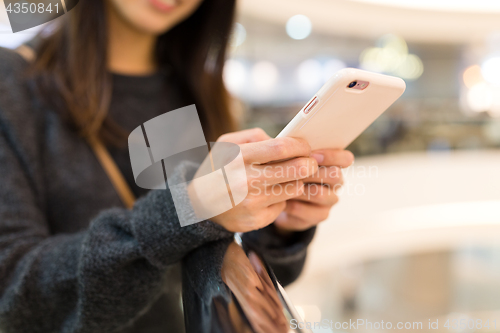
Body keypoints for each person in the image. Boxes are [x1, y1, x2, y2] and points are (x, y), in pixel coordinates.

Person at [0, 0, 354, 332]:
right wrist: (190, 206)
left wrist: (279, 227)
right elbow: (13, 294)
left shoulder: (200, 91)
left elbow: (212, 270)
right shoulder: (12, 83)